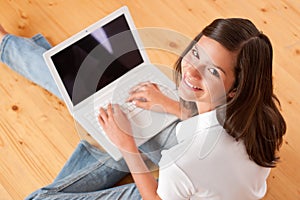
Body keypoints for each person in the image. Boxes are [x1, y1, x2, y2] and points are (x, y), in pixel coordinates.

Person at [0, 17, 286, 200]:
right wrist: (171, 105)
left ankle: (9, 46)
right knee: (101, 94)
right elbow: (210, 139)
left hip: (175, 188)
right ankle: (15, 47)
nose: (191, 72)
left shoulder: (182, 166)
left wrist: (127, 147)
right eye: (196, 53)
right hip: (204, 179)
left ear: (236, 87)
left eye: (212, 71)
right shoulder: (265, 119)